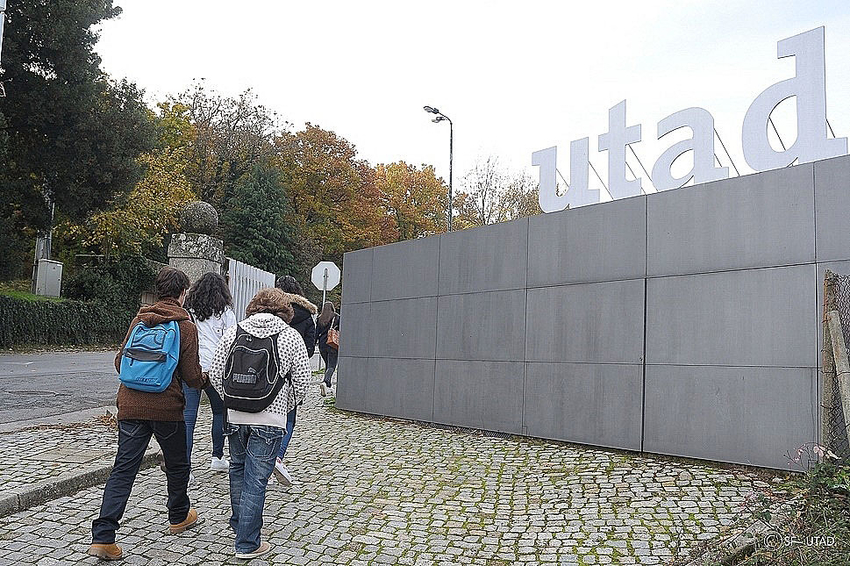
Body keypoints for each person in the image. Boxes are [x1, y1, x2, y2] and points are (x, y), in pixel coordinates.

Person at [88, 267, 205, 561]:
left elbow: (120, 362)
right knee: (177, 464)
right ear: (183, 293)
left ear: (158, 291)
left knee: (123, 469)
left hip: (130, 406)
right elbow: (192, 376)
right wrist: (205, 380)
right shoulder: (185, 326)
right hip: (166, 408)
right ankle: (179, 515)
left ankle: (104, 537)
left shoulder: (139, 320)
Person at [208, 288, 310, 559]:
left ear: (254, 306)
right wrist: (283, 406)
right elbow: (302, 382)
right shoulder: (290, 336)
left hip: (235, 415)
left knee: (237, 471)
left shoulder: (234, 332)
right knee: (256, 480)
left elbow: (215, 373)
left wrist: (231, 400)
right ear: (285, 310)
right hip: (270, 419)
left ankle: (240, 525)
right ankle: (247, 543)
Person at [183, 272, 237, 476]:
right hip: (216, 367)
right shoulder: (226, 313)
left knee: (188, 417)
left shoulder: (189, 311)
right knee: (219, 413)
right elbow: (232, 341)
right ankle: (217, 457)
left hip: (192, 366)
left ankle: (185, 467)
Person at [272, 275, 317, 486]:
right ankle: (278, 457)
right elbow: (310, 348)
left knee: (268, 418)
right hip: (293, 375)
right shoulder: (307, 316)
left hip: (271, 372)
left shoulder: (272, 311)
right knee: (289, 420)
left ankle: (262, 459)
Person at [315, 301, 340, 396]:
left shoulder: (320, 318)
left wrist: (313, 343)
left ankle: (328, 386)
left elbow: (316, 333)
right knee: (332, 366)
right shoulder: (336, 317)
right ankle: (325, 382)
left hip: (322, 345)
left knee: (327, 364)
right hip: (332, 344)